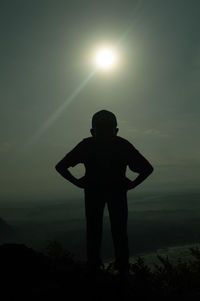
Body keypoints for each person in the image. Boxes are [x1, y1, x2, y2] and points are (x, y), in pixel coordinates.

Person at [55, 110, 153, 276]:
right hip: (116, 193)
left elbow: (61, 166)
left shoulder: (88, 145)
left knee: (95, 231)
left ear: (93, 131)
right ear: (116, 130)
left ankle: (96, 268)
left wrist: (79, 183)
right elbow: (147, 168)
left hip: (94, 192)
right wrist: (132, 185)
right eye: (104, 129)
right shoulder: (121, 145)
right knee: (118, 232)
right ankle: (120, 269)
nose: (105, 133)